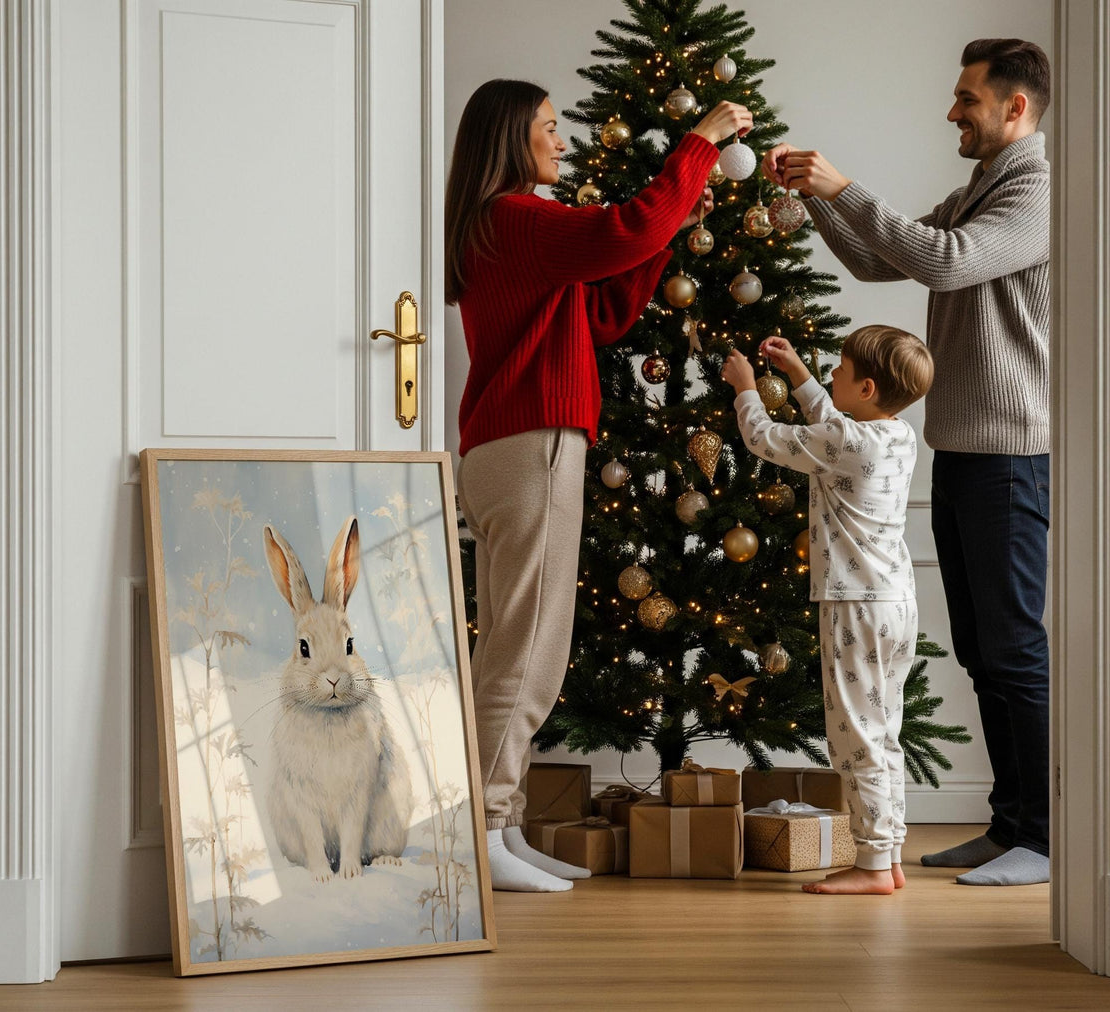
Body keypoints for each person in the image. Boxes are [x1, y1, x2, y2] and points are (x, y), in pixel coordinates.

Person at [445, 79, 752, 892]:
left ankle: (499, 829)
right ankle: (479, 832)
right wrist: (700, 142)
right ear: (510, 137)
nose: (559, 141)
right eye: (546, 128)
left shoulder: (512, 228)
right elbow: (623, 230)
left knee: (515, 646)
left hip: (508, 448)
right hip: (533, 444)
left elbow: (605, 309)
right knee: (527, 652)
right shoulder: (518, 216)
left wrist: (666, 232)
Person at [762, 39, 1052, 886]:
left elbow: (944, 260)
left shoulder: (1036, 190)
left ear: (1014, 109)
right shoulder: (979, 189)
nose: (952, 112)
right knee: (979, 651)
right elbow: (875, 257)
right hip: (961, 450)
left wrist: (841, 185)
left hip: (1010, 456)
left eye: (966, 99)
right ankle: (1009, 827)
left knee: (1012, 651)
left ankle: (1039, 836)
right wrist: (815, 202)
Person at [724, 328, 933, 894]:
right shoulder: (896, 435)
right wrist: (798, 374)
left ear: (865, 387)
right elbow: (837, 421)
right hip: (895, 604)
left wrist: (747, 388)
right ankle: (886, 855)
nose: (831, 375)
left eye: (838, 369)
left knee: (856, 737)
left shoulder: (847, 441)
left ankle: (869, 867)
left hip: (853, 607)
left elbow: (766, 438)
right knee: (883, 732)